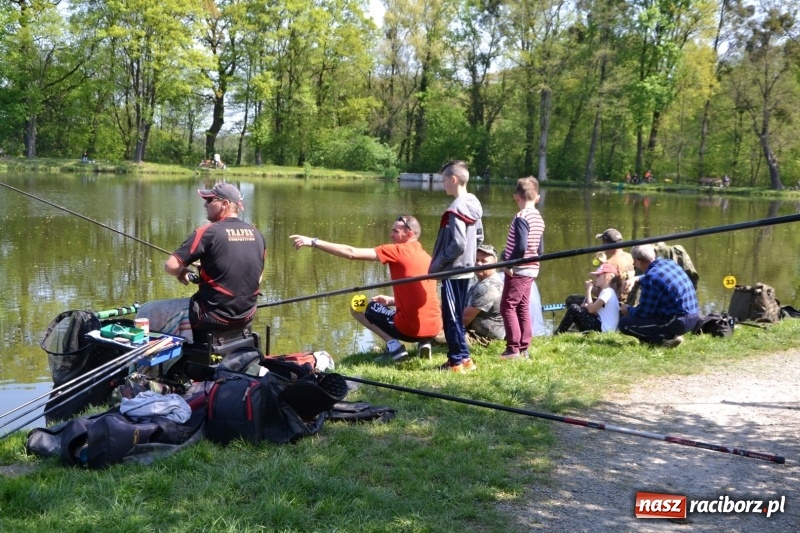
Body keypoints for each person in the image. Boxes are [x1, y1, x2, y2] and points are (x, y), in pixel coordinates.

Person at [290, 215, 442, 363]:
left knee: (357, 305)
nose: (391, 235)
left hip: (409, 329)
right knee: (413, 313)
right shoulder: (427, 257)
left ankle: (394, 347)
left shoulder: (398, 251)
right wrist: (391, 301)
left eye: (395, 231)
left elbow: (352, 253)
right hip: (434, 326)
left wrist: (313, 241)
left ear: (409, 234)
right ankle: (424, 342)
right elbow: (420, 296)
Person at [138, 183, 266, 344]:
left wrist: (180, 272)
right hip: (245, 316)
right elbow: (257, 277)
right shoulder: (257, 234)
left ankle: (149, 367)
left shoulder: (208, 232)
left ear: (225, 204)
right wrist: (210, 271)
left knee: (145, 311)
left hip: (210, 316)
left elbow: (170, 265)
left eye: (210, 200)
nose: (205, 205)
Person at [429, 160, 484, 373]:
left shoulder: (456, 208)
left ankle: (455, 362)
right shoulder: (474, 203)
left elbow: (459, 243)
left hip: (453, 271)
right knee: (456, 315)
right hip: (467, 270)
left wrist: (441, 261)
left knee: (450, 318)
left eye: (444, 180)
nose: (442, 184)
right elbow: (479, 237)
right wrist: (470, 258)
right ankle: (465, 359)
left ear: (454, 179)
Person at [498, 177, 545, 360]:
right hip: (532, 267)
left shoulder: (521, 217)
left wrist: (508, 264)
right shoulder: (538, 217)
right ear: (537, 197)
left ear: (516, 197)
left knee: (507, 306)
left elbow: (520, 247)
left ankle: (513, 349)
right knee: (522, 306)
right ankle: (524, 346)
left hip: (519, 269)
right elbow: (540, 249)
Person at [618, 244, 699, 347]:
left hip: (678, 321)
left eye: (635, 262)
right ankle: (672, 334)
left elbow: (643, 313)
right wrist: (636, 278)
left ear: (638, 261)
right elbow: (658, 276)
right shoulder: (670, 263)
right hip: (694, 316)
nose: (634, 264)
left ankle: (665, 338)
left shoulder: (651, 279)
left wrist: (628, 309)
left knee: (624, 324)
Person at [554, 262, 620, 334]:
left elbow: (591, 310)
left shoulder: (607, 292)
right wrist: (586, 307)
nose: (595, 278)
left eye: (598, 276)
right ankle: (567, 332)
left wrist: (589, 290)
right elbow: (599, 312)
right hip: (604, 327)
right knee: (581, 309)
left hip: (604, 330)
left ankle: (557, 334)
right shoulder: (608, 291)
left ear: (608, 277)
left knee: (574, 308)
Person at [462, 244, 505, 345]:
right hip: (475, 332)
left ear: (495, 264)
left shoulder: (489, 286)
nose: (479, 264)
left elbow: (465, 319)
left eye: (484, 261)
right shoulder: (479, 283)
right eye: (476, 260)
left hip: (485, 338)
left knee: (443, 334)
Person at [594, 228, 634, 302]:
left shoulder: (609, 263)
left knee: (572, 299)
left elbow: (602, 294)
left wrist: (590, 288)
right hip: (630, 300)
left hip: (618, 303)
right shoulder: (631, 256)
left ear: (605, 244)